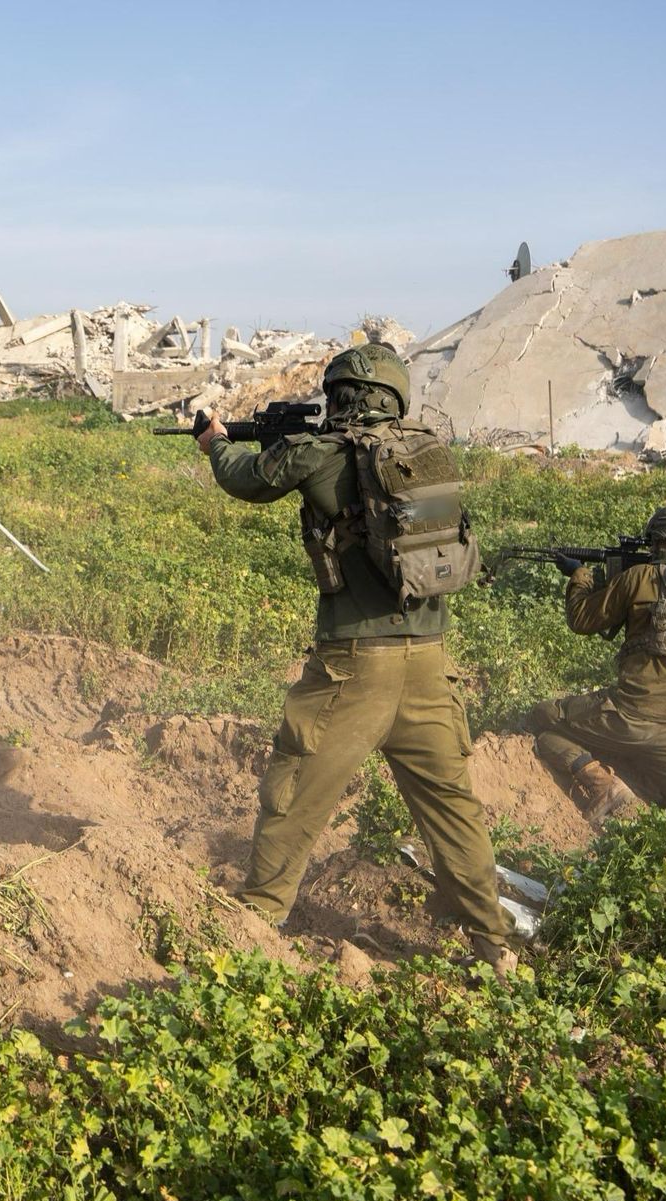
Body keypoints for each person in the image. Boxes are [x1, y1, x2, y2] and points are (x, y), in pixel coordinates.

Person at [197, 344, 520, 972]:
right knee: (452, 810)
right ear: (397, 397)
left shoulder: (319, 455)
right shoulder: (428, 457)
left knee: (295, 796)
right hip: (431, 664)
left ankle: (255, 927)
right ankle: (492, 944)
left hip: (354, 668)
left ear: (340, 395)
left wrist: (215, 441)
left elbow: (245, 478)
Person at [524, 503, 666, 824]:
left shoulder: (640, 577)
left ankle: (604, 787)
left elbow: (583, 618)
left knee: (542, 722)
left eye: (656, 543)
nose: (652, 549)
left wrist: (579, 574)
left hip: (626, 719)